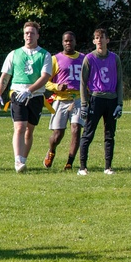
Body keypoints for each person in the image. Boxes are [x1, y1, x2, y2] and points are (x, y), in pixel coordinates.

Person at [0, 21, 53, 172]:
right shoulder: (14, 54)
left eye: (32, 33)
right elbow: (5, 76)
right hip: (18, 95)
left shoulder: (45, 55)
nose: (29, 36)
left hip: (36, 97)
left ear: (37, 35)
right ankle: (18, 161)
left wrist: (30, 90)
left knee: (29, 130)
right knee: (20, 127)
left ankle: (23, 160)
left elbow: (45, 77)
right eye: (26, 33)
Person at [77, 29, 124, 176]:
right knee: (88, 133)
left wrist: (120, 103)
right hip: (96, 99)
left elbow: (120, 81)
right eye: (96, 38)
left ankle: (108, 167)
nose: (99, 40)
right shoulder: (89, 58)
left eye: (102, 38)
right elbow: (83, 83)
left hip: (111, 99)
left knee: (110, 134)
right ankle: (82, 167)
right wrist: (84, 104)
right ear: (93, 41)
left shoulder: (115, 58)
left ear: (107, 40)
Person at [43, 31, 84, 170]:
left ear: (75, 42)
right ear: (62, 42)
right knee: (57, 134)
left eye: (71, 40)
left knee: (76, 128)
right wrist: (57, 86)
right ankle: (51, 151)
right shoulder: (56, 59)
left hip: (77, 99)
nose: (68, 43)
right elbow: (46, 82)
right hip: (60, 99)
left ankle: (69, 162)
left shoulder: (83, 58)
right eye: (66, 41)